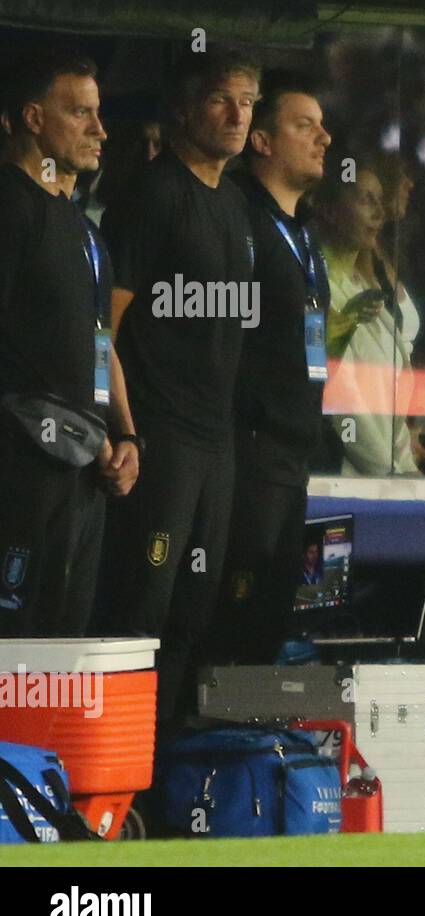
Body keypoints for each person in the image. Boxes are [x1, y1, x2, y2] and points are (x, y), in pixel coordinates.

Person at [98, 49, 260, 730]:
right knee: (141, 612)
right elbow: (99, 326)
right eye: (223, 99)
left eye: (249, 102)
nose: (237, 115)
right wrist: (123, 429)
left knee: (195, 612)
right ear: (186, 108)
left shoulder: (234, 202)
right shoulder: (153, 194)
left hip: (215, 443)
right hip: (160, 441)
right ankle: (112, 785)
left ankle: (164, 786)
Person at [0, 47, 139, 636]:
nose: (100, 130)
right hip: (22, 468)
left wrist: (126, 433)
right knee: (15, 644)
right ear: (34, 118)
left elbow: (101, 339)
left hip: (86, 467)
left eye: (99, 113)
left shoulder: (84, 231)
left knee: (60, 646)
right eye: (80, 113)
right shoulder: (9, 205)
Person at [206, 76, 332, 665]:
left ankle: (252, 748)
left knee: (272, 614)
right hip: (247, 447)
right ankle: (201, 746)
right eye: (304, 125)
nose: (324, 138)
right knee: (231, 609)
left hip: (293, 450)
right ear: (261, 141)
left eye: (322, 125)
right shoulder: (238, 216)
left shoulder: (303, 230)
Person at [313, 156, 425, 475]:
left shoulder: (362, 287)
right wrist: (388, 468)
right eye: (365, 200)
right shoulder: (318, 290)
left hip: (388, 473)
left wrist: (402, 461)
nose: (379, 213)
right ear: (329, 210)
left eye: (379, 200)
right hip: (349, 481)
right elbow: (342, 398)